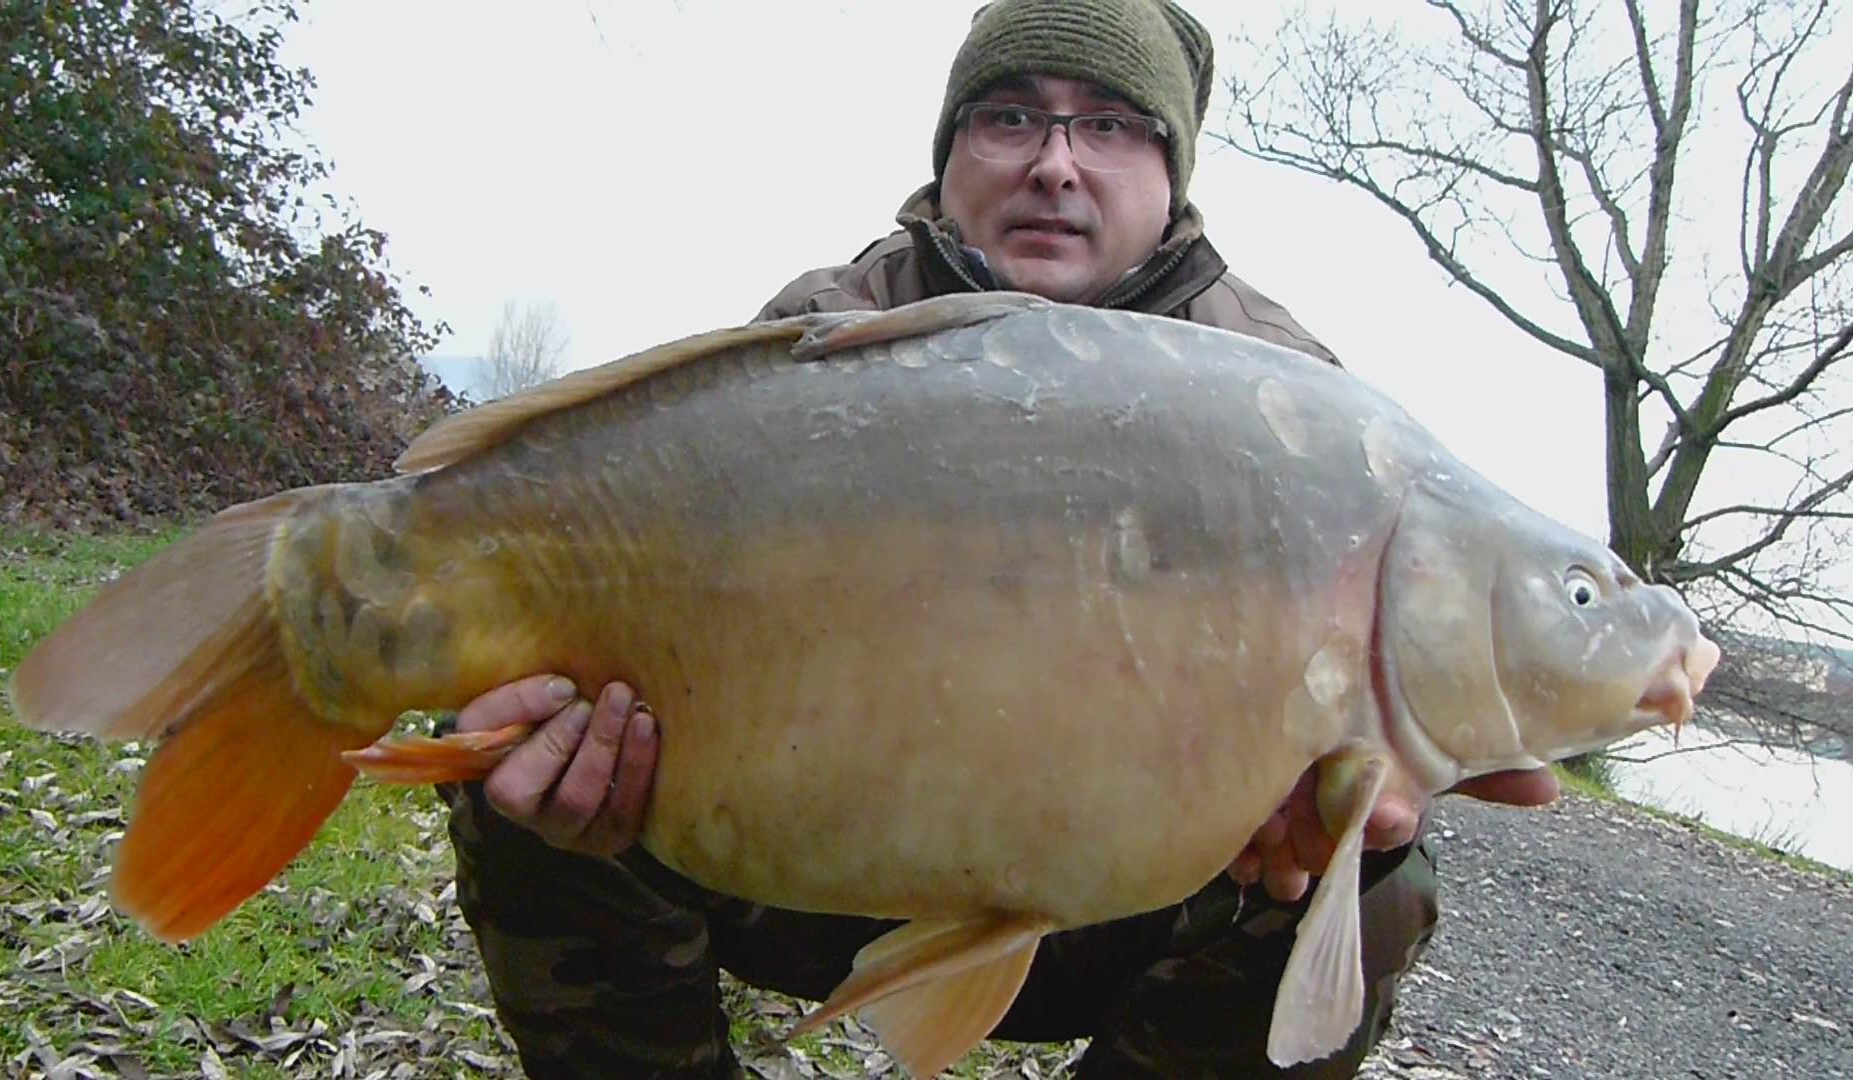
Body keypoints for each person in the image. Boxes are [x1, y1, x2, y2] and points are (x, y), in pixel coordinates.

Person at [436, 2, 1559, 1075]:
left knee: (1371, 888)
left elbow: (1392, 709)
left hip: (1119, 895)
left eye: (1112, 124)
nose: (1056, 162)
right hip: (805, 857)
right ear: (949, 155)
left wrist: (1354, 797)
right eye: (1011, 115)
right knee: (510, 766)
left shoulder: (1291, 404)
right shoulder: (823, 338)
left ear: (1172, 179)